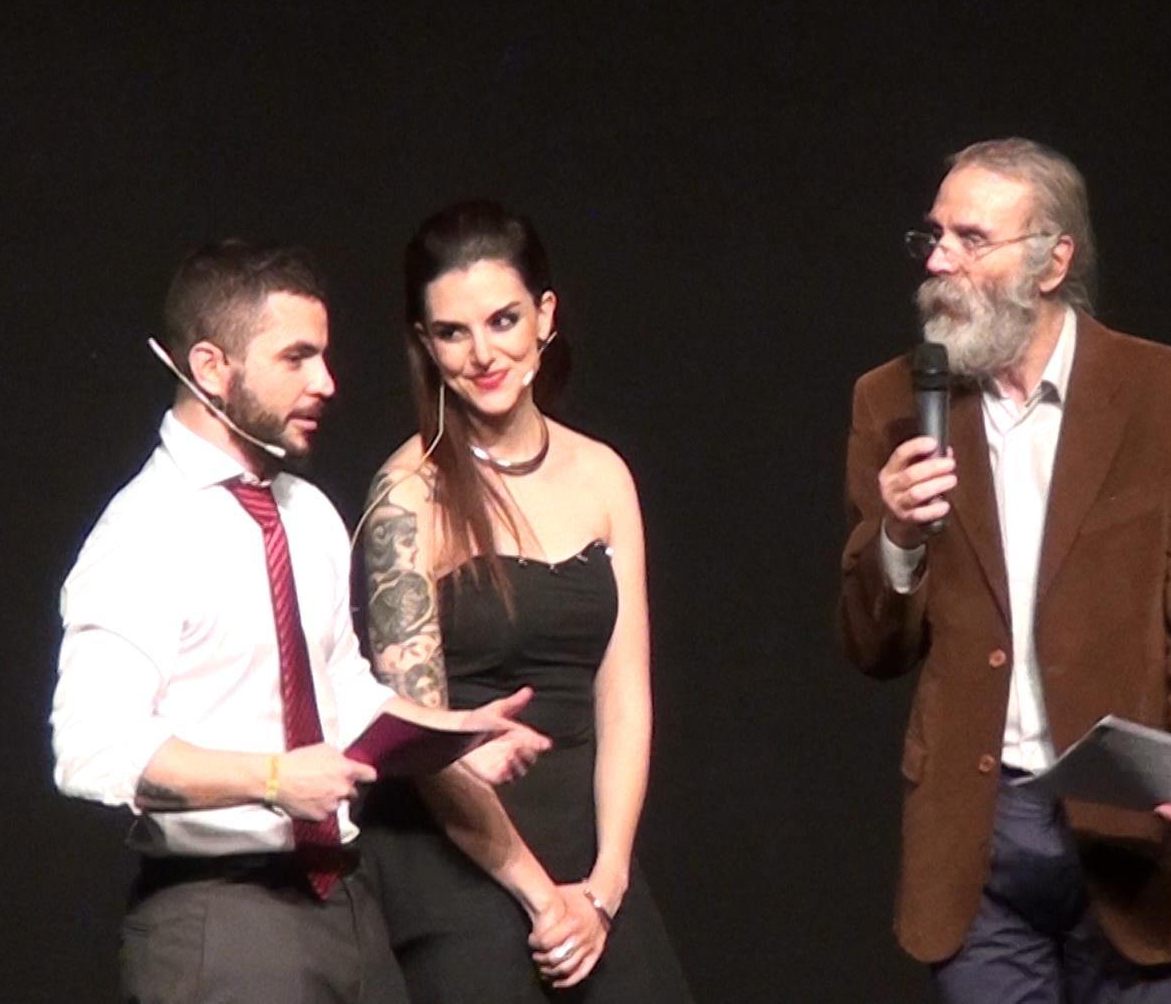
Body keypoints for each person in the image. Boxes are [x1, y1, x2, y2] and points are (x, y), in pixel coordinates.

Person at [50, 240, 549, 1004]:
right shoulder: (143, 533)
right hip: (221, 918)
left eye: (323, 355)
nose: (327, 382)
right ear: (211, 367)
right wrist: (275, 780)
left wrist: (452, 741)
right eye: (296, 358)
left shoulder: (307, 513)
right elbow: (92, 749)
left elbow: (341, 688)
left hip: (345, 905)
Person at [839, 139, 1171, 1003]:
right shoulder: (893, 401)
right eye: (934, 235)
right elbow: (874, 647)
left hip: (1132, 826)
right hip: (980, 838)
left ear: (1052, 261)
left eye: (972, 239)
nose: (939, 261)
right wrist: (897, 535)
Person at [354, 201, 693, 1002]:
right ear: (425, 344)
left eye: (503, 320)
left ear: (545, 316)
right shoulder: (407, 494)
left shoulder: (604, 475)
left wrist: (605, 884)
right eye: (453, 333)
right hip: (460, 861)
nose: (483, 354)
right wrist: (543, 898)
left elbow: (624, 696)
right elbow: (419, 737)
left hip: (589, 862)